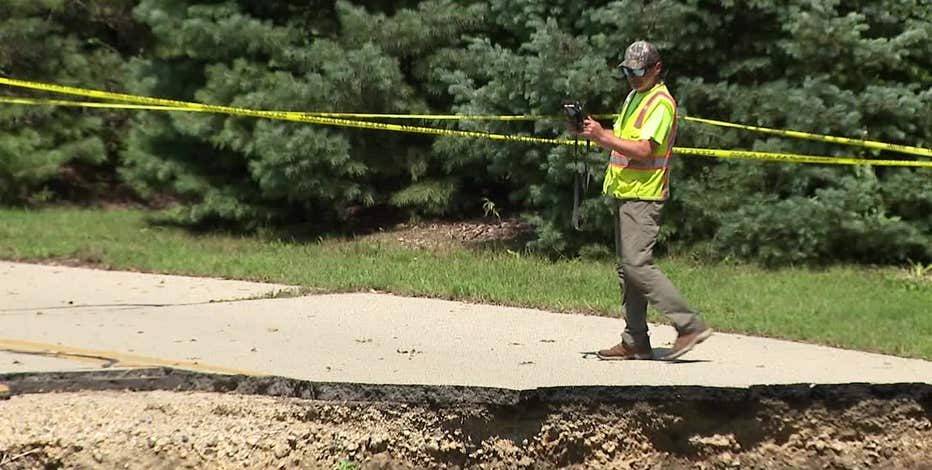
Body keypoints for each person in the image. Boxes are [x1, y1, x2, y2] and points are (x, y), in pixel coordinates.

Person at [577, 40, 712, 360]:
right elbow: (624, 143)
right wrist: (594, 133)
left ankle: (689, 325)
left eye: (640, 71)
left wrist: (602, 136)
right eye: (628, 71)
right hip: (626, 192)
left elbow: (644, 150)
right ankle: (635, 340)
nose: (634, 76)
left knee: (637, 265)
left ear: (657, 68)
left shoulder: (661, 104)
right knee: (628, 270)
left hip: (645, 195)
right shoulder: (635, 97)